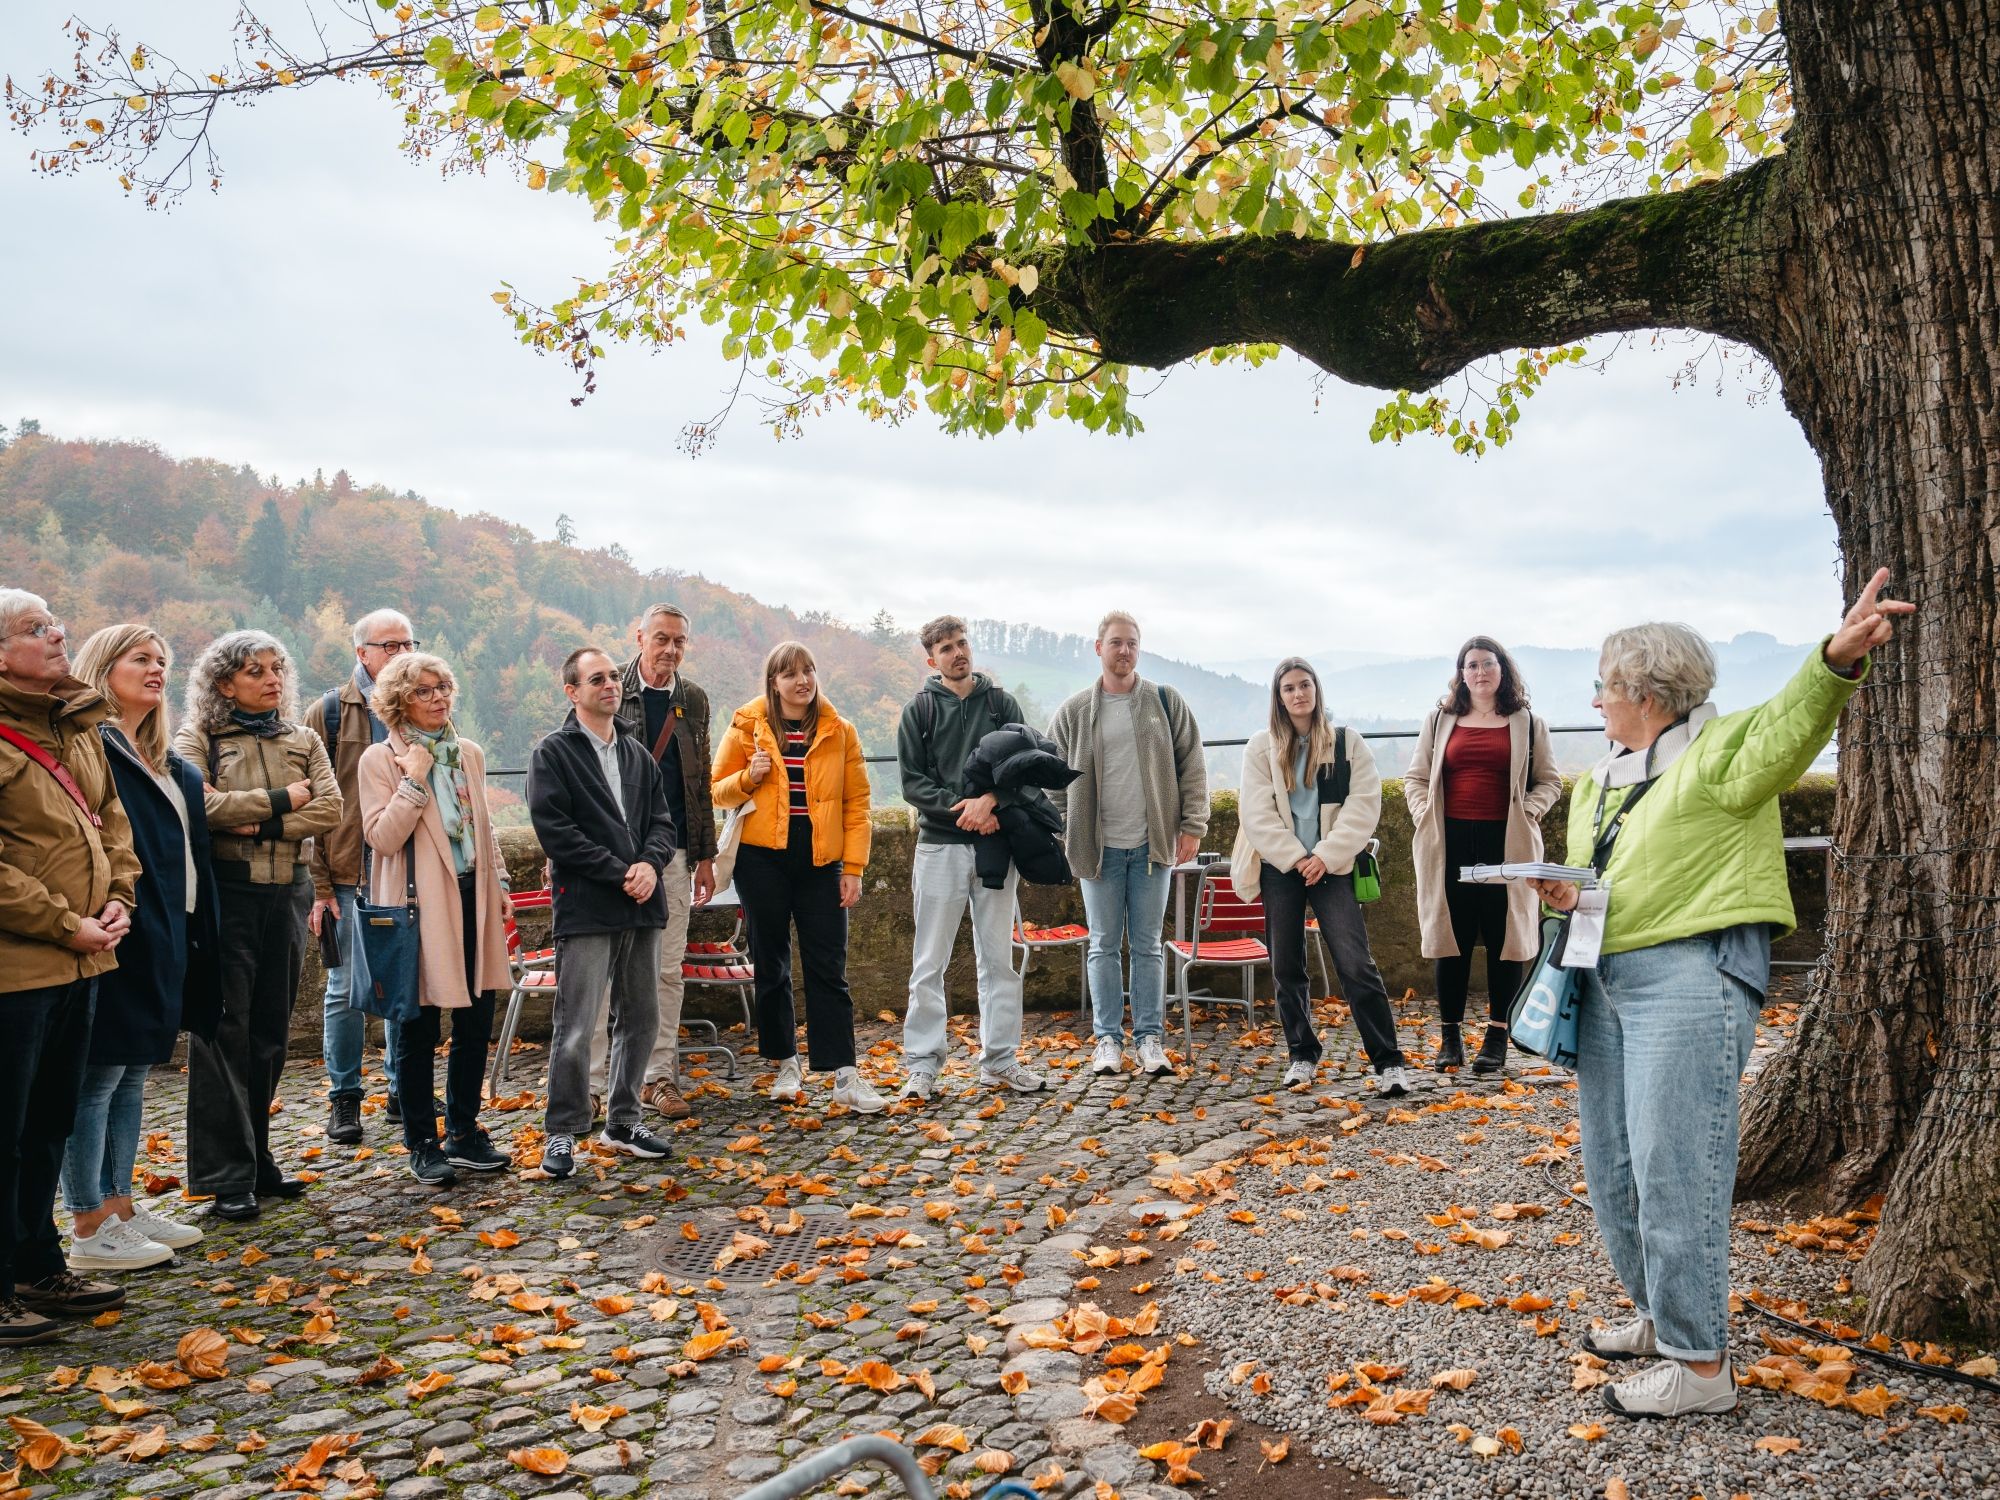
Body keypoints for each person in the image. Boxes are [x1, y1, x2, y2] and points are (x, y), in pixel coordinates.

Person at [1528, 570, 1911, 1420]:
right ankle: (1662, 1318)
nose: (1593, 699)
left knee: (1675, 1168)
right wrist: (1569, 891)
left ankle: (1700, 1368)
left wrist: (1834, 660)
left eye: (1603, 684)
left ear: (1646, 691)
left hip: (1690, 977)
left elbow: (1788, 726)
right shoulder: (1599, 779)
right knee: (1614, 1169)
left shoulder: (1719, 749)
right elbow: (1607, 879)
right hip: (1607, 977)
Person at [0, 590, 141, 1347]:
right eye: (34, 630)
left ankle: (36, 1264)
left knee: (48, 1123)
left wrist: (120, 898)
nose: (57, 636)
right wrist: (65, 923)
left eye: (55, 624)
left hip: (81, 963)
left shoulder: (75, 722)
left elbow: (111, 822)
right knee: (6, 1129)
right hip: (16, 969)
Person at [62, 625, 221, 1270]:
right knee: (97, 1078)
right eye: (141, 659)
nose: (156, 670)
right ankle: (88, 1221)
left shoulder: (165, 761)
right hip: (122, 927)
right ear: (105, 666)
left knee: (132, 1074)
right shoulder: (92, 748)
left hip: (167, 931)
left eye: (163, 661)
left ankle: (122, 1204)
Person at [174, 631, 342, 1223]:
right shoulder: (199, 738)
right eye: (255, 671)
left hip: (289, 894)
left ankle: (257, 1157)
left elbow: (329, 809)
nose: (272, 679)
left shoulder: (302, 738)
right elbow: (199, 807)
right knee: (224, 1028)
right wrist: (279, 799)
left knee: (270, 1027)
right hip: (228, 893)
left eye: (277, 669)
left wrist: (258, 822)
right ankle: (226, 1176)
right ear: (224, 683)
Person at [359, 652, 515, 1187]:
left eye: (444, 686)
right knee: (417, 1027)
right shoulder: (381, 760)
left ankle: (466, 1131)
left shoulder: (466, 752)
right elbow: (381, 838)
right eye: (424, 690)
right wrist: (415, 780)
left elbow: (483, 827)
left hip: (473, 897)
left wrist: (502, 885)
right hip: (419, 907)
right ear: (400, 699)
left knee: (476, 1021)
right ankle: (422, 1140)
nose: (438, 697)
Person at [711, 642, 883, 1113]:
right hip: (760, 859)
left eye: (808, 671)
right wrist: (749, 776)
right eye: (790, 674)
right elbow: (717, 790)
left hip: (820, 860)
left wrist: (853, 869)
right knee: (772, 963)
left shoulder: (840, 731)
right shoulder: (747, 726)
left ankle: (843, 1073)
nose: (802, 681)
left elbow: (857, 804)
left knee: (829, 964)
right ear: (774, 682)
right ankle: (786, 1064)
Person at [1229, 657, 1414, 1095]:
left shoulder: (1346, 743)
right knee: (1287, 965)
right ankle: (1302, 1054)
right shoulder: (1261, 748)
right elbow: (1256, 813)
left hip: (1332, 869)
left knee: (1355, 963)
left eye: (1305, 685)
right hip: (1282, 868)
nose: (1298, 694)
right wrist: (1296, 858)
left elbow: (1364, 805)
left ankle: (1388, 1061)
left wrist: (1325, 856)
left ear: (1316, 690)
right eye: (1289, 688)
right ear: (1279, 696)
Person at [526, 647, 677, 1180]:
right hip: (589, 904)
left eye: (614, 675)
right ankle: (564, 1132)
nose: (610, 684)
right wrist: (621, 871)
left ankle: (623, 1122)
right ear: (573, 691)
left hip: (642, 902)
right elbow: (556, 833)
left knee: (640, 1017)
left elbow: (663, 821)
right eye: (597, 679)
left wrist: (651, 866)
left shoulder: (636, 754)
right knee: (577, 1024)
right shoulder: (553, 754)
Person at [1047, 611, 1207, 1079]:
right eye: (1116, 642)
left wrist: (1191, 824)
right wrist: (1065, 826)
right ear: (1098, 647)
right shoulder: (1075, 711)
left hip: (1151, 845)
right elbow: (1050, 777)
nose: (1125, 650)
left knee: (1147, 946)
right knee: (1101, 945)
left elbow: (1191, 765)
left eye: (1132, 642)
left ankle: (1150, 1039)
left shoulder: (1164, 701)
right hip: (1097, 851)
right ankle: (1107, 1042)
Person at [895, 615, 1047, 1099]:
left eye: (961, 643)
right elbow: (912, 782)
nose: (957, 653)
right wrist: (963, 808)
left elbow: (1029, 765)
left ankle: (1000, 1061)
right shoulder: (918, 712)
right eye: (945, 648)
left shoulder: (1002, 705)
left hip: (995, 846)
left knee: (998, 960)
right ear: (931, 659)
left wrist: (992, 802)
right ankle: (922, 1065)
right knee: (929, 962)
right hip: (939, 846)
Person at [1404, 637, 1563, 1074]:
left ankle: (1497, 1035)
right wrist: (1424, 814)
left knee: (1504, 939)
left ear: (1502, 669)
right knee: (1449, 940)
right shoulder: (1440, 720)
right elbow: (1415, 779)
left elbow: (1550, 781)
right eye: (1470, 666)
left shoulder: (1527, 722)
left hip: (1506, 844)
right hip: (1449, 842)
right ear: (1461, 673)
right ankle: (1450, 1037)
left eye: (1487, 664)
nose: (1479, 672)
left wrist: (1528, 809)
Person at [589, 604, 717, 1123]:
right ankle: (593, 1085)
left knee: (666, 972)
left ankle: (657, 1078)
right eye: (661, 638)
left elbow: (699, 782)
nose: (670, 649)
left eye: (679, 641)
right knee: (601, 974)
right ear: (638, 636)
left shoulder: (693, 699)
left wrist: (704, 852)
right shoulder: (607, 687)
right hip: (612, 852)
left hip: (675, 852)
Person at [304, 608, 414, 1144]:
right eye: (388, 646)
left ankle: (401, 1090)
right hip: (349, 872)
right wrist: (320, 887)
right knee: (346, 989)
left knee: (400, 984)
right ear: (362, 653)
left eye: (407, 644)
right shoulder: (328, 713)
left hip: (405, 872)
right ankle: (345, 1098)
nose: (399, 654)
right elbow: (315, 812)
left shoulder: (423, 706)